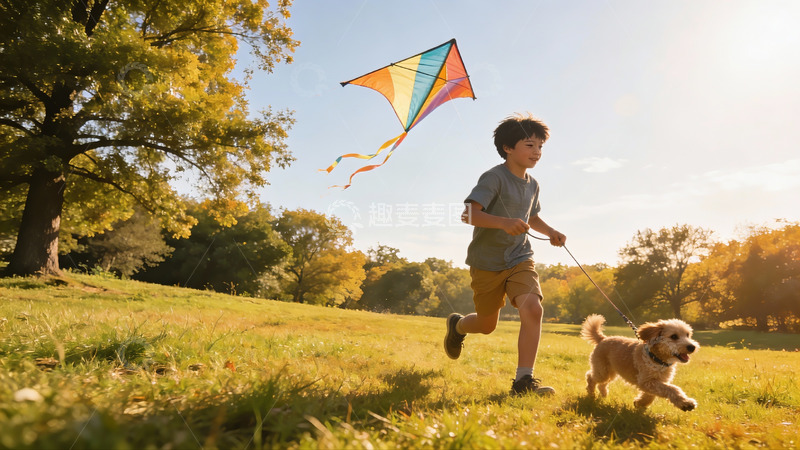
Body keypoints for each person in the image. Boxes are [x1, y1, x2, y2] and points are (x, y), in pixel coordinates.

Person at [444, 113, 566, 396]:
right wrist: (503, 222)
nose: (536, 152)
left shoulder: (533, 184)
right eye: (529, 145)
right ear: (508, 148)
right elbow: (470, 214)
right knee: (486, 325)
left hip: (520, 257)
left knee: (533, 309)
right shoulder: (493, 177)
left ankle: (523, 382)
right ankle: (458, 326)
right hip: (487, 262)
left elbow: (531, 217)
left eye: (540, 147)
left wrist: (551, 232)